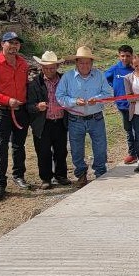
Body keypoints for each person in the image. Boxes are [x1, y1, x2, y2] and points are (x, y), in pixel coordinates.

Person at [0, 31, 31, 201]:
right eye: (10, 43)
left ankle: (19, 176)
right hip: (1, 110)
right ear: (2, 44)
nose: (14, 46)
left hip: (21, 110)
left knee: (19, 145)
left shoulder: (23, 64)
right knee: (1, 146)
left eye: (17, 43)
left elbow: (25, 85)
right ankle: (0, 183)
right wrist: (7, 100)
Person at [55, 46, 113, 187]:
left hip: (96, 118)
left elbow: (109, 94)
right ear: (76, 63)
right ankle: (81, 174)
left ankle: (100, 172)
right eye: (81, 62)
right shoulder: (68, 77)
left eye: (87, 62)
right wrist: (74, 101)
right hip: (75, 119)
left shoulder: (99, 75)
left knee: (100, 147)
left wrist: (97, 98)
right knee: (76, 149)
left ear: (92, 63)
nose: (84, 65)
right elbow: (60, 96)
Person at [25, 50, 70, 189]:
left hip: (60, 121)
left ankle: (61, 175)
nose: (49, 70)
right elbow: (28, 106)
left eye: (52, 67)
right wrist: (37, 107)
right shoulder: (34, 84)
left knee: (61, 151)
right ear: (41, 67)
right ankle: (46, 178)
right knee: (43, 152)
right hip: (43, 124)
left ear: (57, 67)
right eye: (46, 68)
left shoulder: (65, 80)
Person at [105, 45, 138, 165]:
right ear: (119, 56)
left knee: (138, 130)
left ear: (132, 56)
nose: (125, 58)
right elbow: (106, 79)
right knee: (129, 130)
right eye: (122, 56)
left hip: (135, 105)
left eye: (127, 56)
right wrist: (114, 87)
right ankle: (132, 154)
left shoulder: (134, 69)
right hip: (122, 106)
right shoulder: (114, 69)